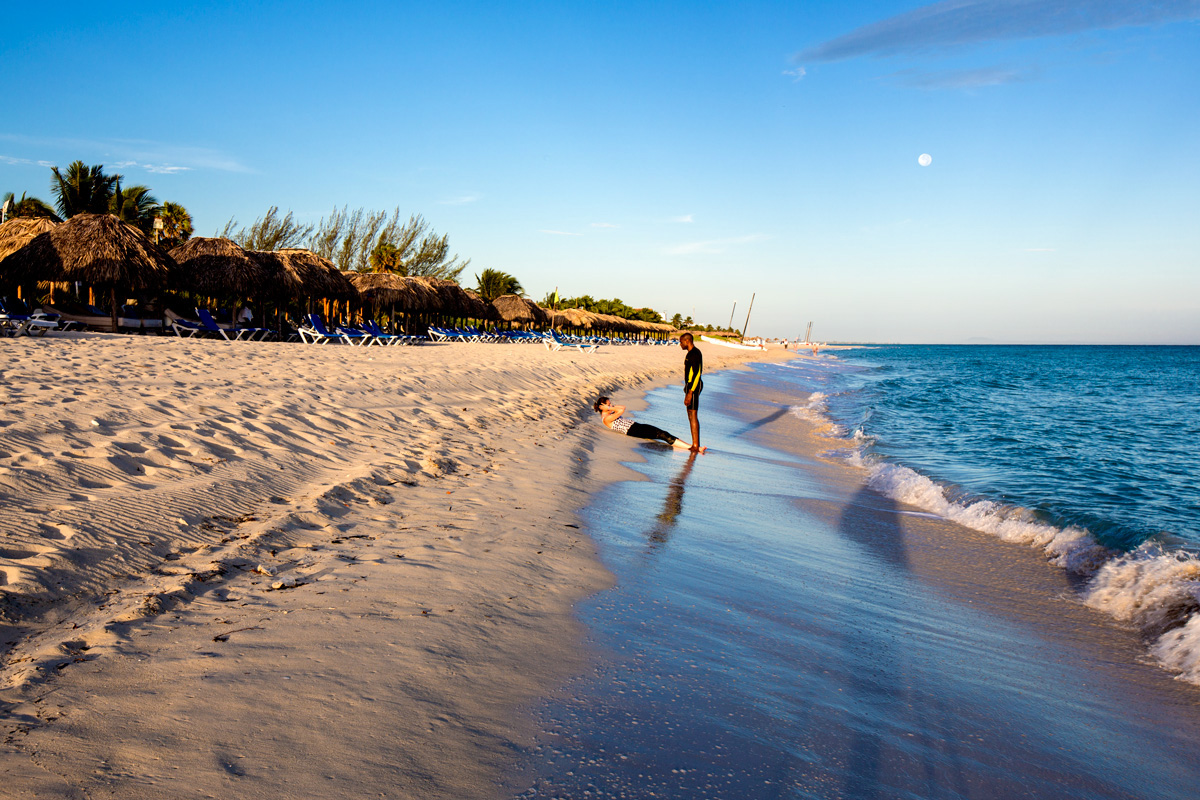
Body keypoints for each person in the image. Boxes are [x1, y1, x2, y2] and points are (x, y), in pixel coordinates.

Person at [593, 396, 705, 453]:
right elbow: (621, 410)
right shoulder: (606, 419)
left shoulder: (610, 413)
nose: (611, 405)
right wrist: (608, 408)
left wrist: (608, 407)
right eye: (609, 404)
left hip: (636, 427)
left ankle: (687, 447)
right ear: (603, 406)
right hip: (632, 430)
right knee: (662, 434)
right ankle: (692, 448)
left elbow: (622, 408)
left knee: (662, 433)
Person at [679, 332, 703, 452]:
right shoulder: (690, 353)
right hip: (689, 386)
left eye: (681, 342)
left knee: (693, 414)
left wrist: (690, 392)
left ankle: (695, 445)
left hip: (694, 386)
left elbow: (697, 374)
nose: (680, 344)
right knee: (690, 414)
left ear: (687, 341)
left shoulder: (695, 354)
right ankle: (694, 443)